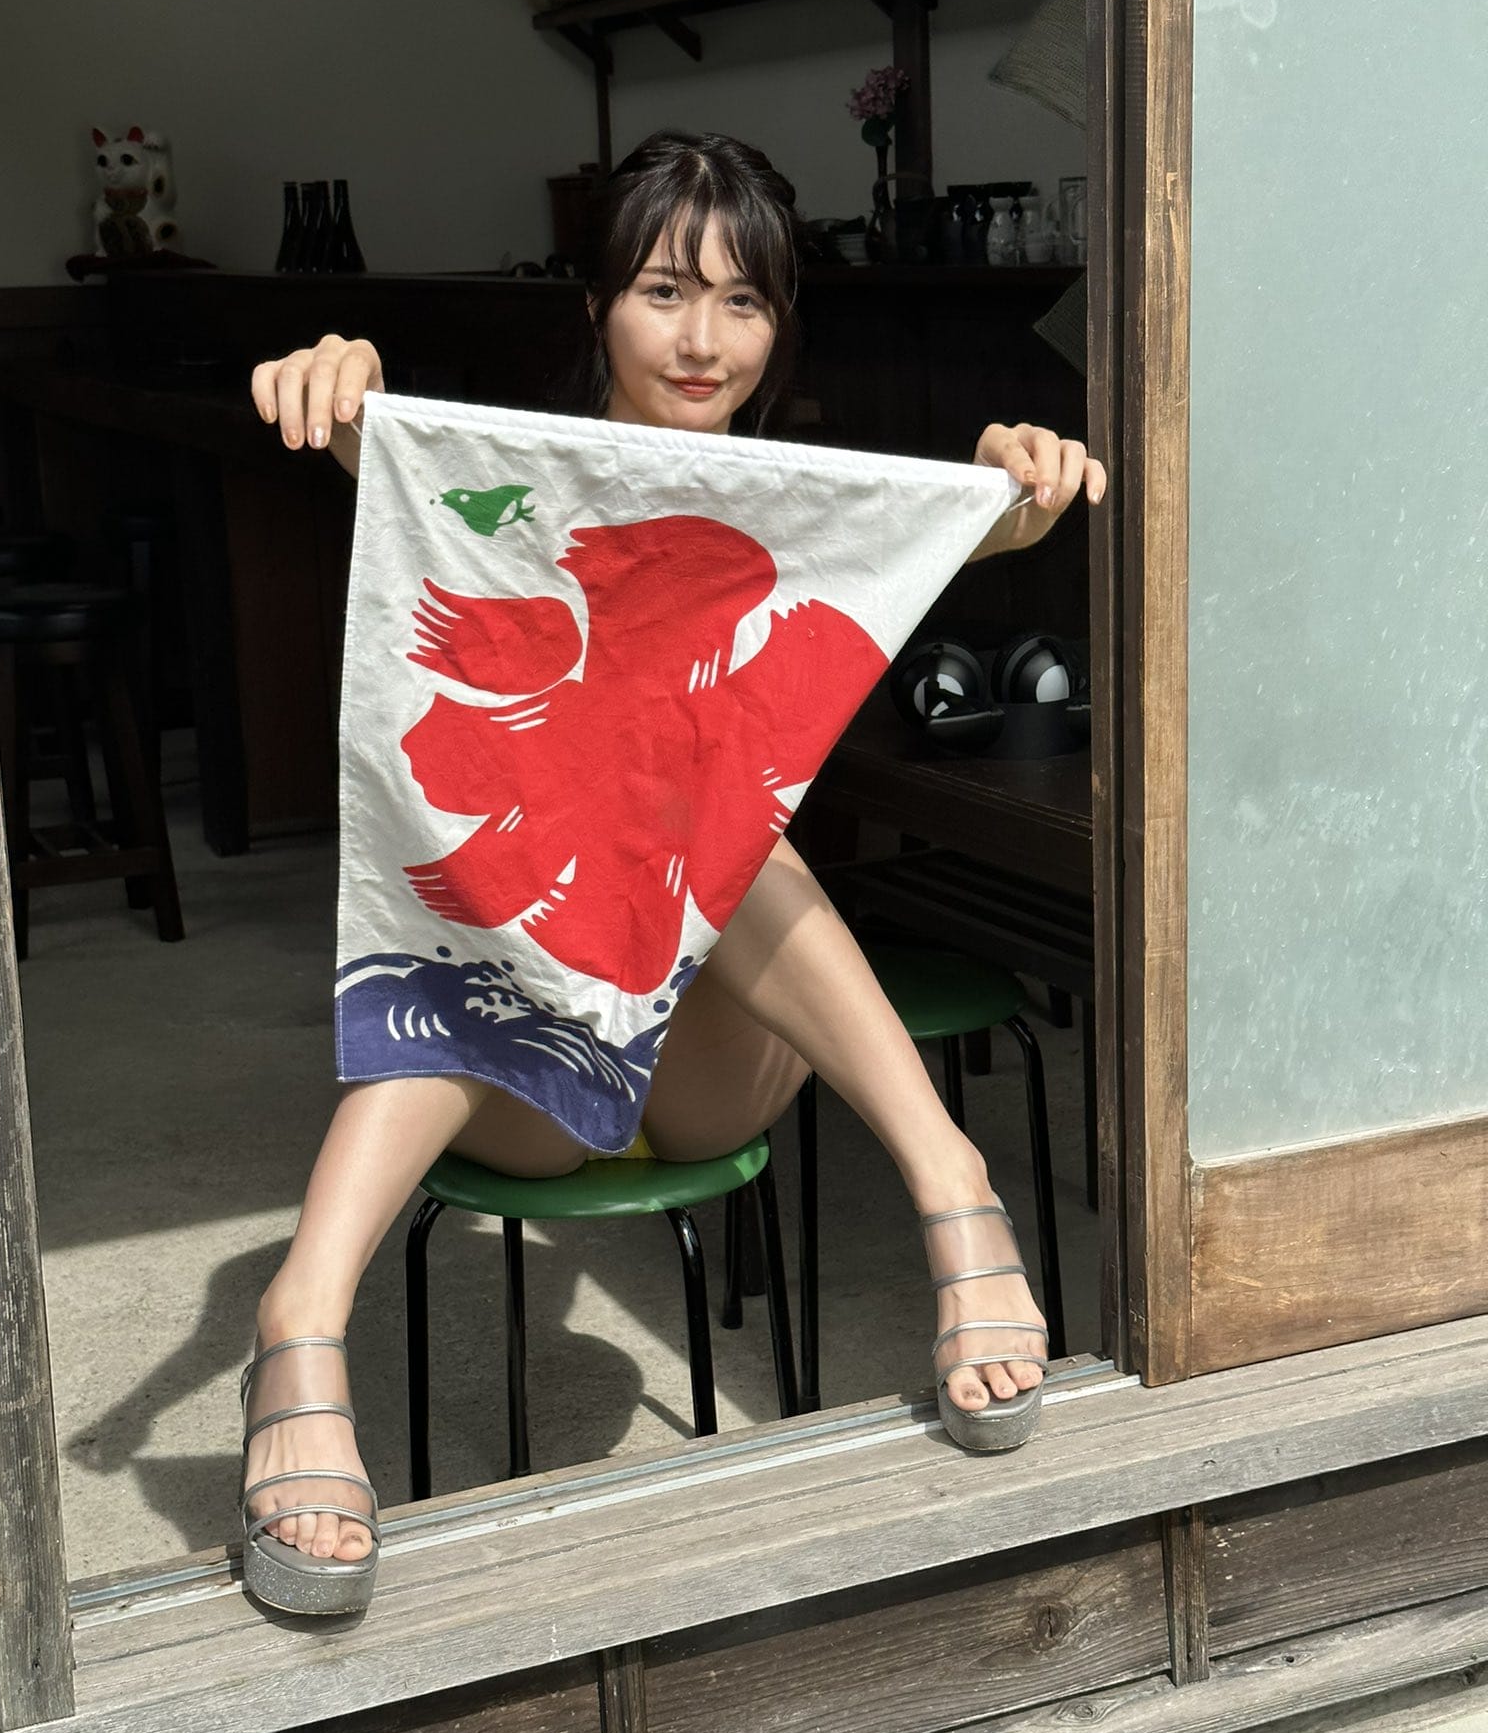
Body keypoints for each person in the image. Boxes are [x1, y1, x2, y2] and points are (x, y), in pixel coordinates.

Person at [240, 129, 1107, 1617]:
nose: (703, 340)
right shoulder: (510, 493)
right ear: (598, 308)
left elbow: (973, 522)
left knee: (709, 810)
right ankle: (298, 1320)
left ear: (779, 327)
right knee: (507, 895)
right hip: (526, 1076)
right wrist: (336, 389)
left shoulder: (812, 507)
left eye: (743, 302)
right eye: (663, 291)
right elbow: (374, 445)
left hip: (709, 1068)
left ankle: (950, 1182)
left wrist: (1012, 486)